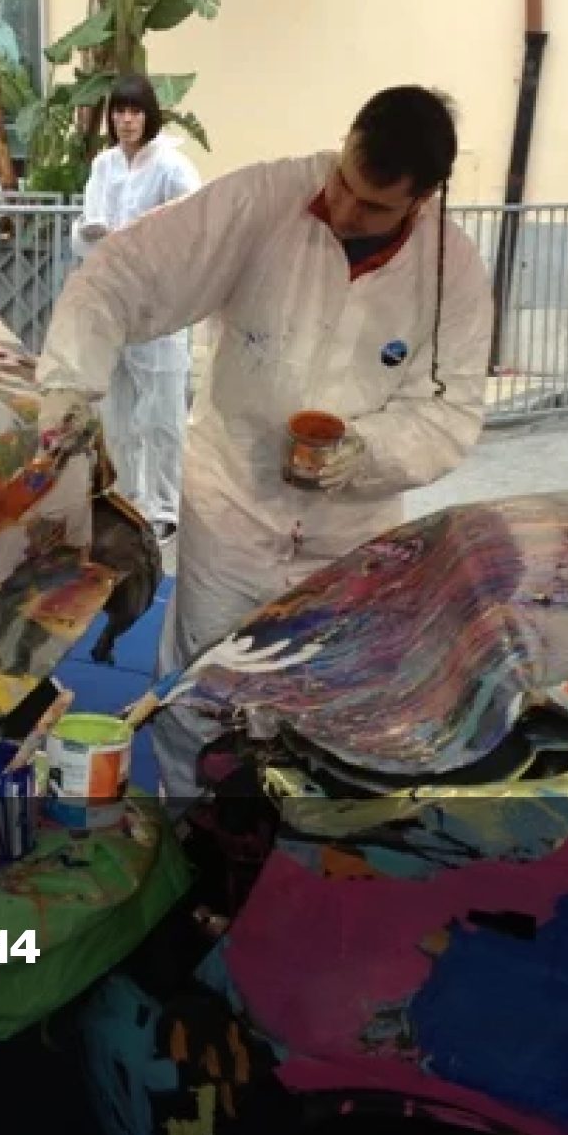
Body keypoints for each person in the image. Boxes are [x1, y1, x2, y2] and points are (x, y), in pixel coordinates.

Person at [35, 85, 495, 799]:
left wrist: (365, 452)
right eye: (344, 182)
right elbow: (122, 273)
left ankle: (295, 842)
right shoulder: (265, 201)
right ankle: (189, 826)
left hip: (351, 529)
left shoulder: (451, 272)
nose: (345, 211)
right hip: (233, 503)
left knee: (332, 698)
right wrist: (70, 384)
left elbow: (450, 412)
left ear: (424, 198)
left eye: (374, 206)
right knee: (204, 685)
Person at [73, 74, 201, 545]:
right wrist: (89, 234)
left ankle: (165, 506)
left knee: (162, 411)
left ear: (149, 116)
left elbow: (194, 227)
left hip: (158, 307)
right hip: (113, 303)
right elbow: (87, 224)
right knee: (118, 409)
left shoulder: (172, 167)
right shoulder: (104, 165)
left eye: (135, 112)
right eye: (119, 112)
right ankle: (127, 497)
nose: (126, 121)